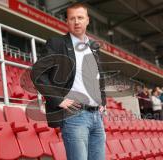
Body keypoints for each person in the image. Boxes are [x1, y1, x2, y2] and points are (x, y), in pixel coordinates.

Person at [31, 3, 106, 160]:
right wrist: (59, 99)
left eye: (80, 17)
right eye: (72, 18)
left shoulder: (93, 47)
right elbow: (38, 73)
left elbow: (99, 76)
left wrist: (102, 101)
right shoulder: (57, 43)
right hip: (74, 116)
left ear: (87, 20)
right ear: (67, 22)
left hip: (96, 117)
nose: (76, 21)